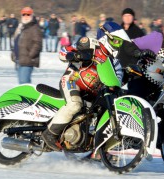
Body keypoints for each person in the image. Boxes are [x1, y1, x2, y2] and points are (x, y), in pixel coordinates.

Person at [41, 22, 129, 151]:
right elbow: (64, 51)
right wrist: (75, 55)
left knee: (103, 109)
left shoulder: (115, 61)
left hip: (92, 91)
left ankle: (97, 147)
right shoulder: (90, 44)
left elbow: (117, 80)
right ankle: (50, 134)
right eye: (116, 41)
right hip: (74, 79)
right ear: (106, 38)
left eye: (120, 42)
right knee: (75, 104)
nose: (118, 45)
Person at [11, 7, 43, 84]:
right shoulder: (21, 27)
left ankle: (29, 96)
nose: (26, 16)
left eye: (28, 14)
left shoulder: (34, 27)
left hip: (27, 60)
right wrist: (13, 53)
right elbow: (15, 41)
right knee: (21, 84)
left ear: (32, 16)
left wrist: (30, 55)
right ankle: (24, 96)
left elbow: (38, 44)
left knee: (24, 82)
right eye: (24, 14)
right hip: (19, 60)